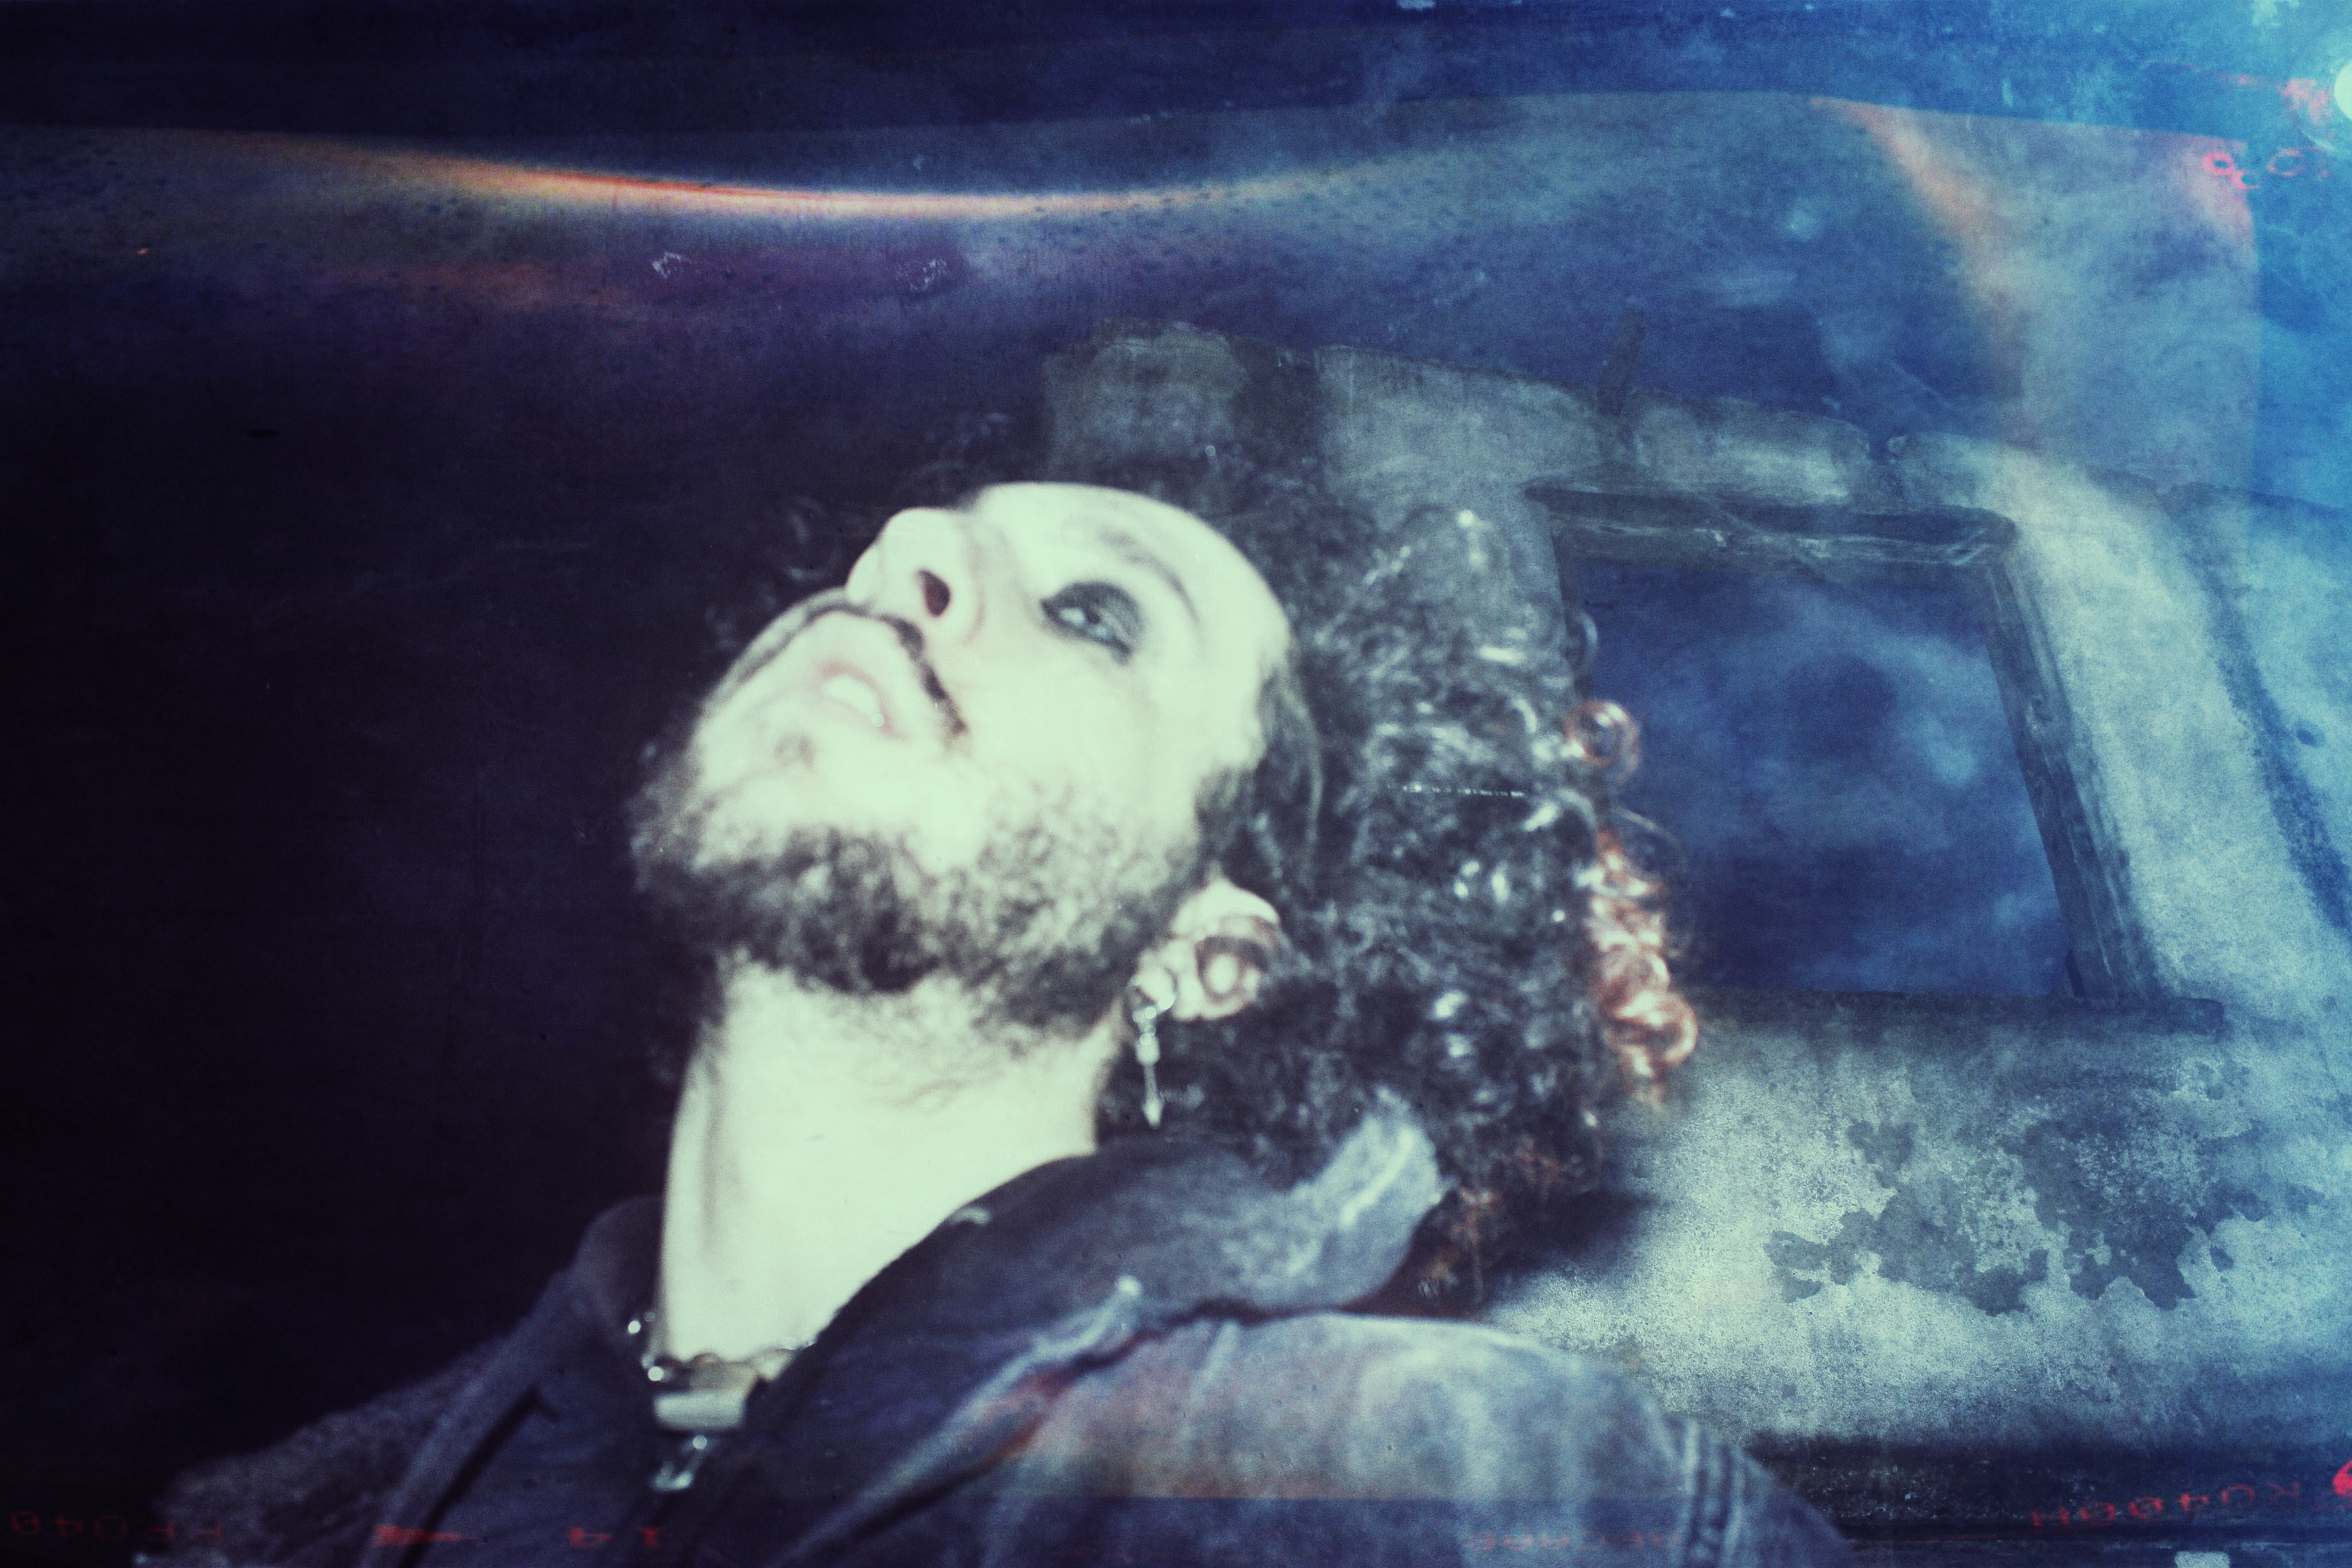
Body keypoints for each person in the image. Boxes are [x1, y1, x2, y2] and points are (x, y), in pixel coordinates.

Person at [146, 456, 1849, 1567]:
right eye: (905, 545)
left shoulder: (1501, 1502)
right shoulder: (286, 1525)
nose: (906, 559)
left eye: (1097, 615)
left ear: (1212, 950)